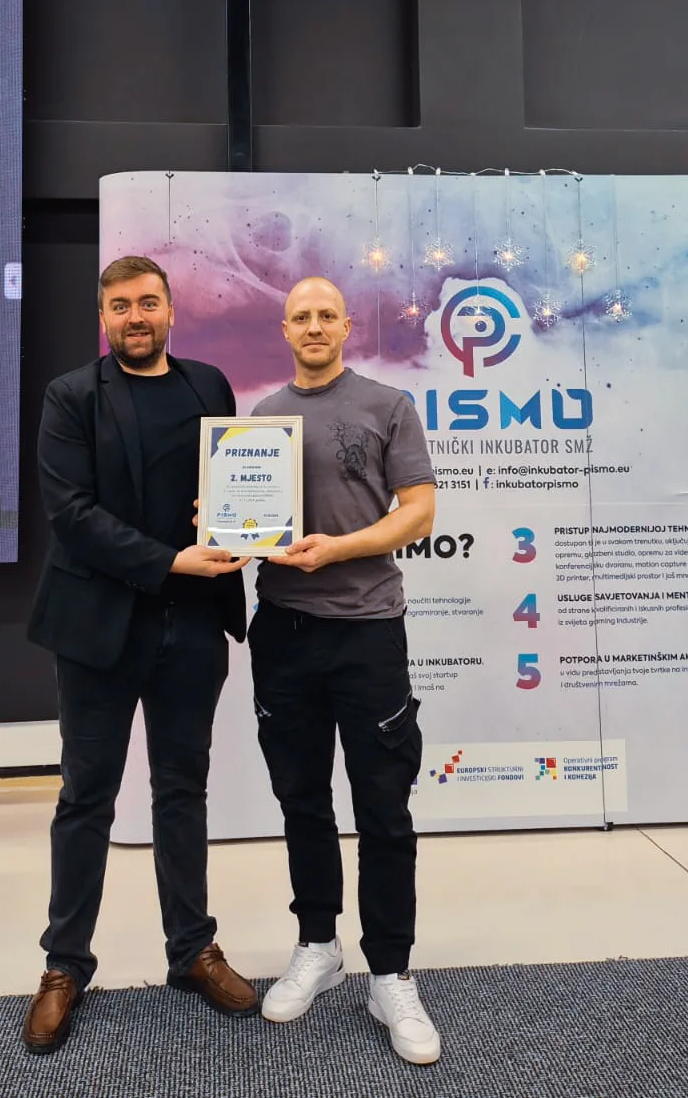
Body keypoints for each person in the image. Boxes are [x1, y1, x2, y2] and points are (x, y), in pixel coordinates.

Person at [22, 256, 259, 1055]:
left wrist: (233, 522)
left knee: (182, 789)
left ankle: (191, 948)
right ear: (104, 315)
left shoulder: (208, 385)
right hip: (99, 629)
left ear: (170, 309)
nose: (135, 315)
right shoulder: (71, 396)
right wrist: (169, 559)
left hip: (191, 626)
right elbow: (72, 515)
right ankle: (64, 964)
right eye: (120, 304)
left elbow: (230, 484)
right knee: (86, 798)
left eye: (148, 302)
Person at [248, 276, 441, 1066]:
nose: (314, 326)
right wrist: (223, 527)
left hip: (367, 630)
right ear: (284, 329)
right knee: (300, 798)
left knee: (383, 808)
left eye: (327, 315)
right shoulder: (260, 419)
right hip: (283, 633)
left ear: (346, 326)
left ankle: (389, 972)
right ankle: (318, 943)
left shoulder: (387, 405)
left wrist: (336, 549)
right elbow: (247, 520)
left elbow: (418, 510)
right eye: (301, 316)